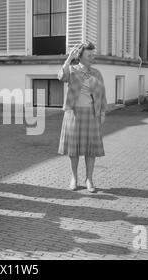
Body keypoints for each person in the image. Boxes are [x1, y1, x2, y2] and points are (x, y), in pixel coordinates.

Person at [57, 42, 107, 193]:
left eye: (93, 54)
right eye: (89, 55)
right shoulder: (72, 70)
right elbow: (61, 77)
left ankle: (89, 179)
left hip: (92, 114)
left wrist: (103, 111)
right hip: (73, 113)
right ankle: (74, 178)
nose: (92, 57)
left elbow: (102, 94)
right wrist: (68, 60)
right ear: (81, 56)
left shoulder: (97, 73)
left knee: (90, 149)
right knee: (74, 149)